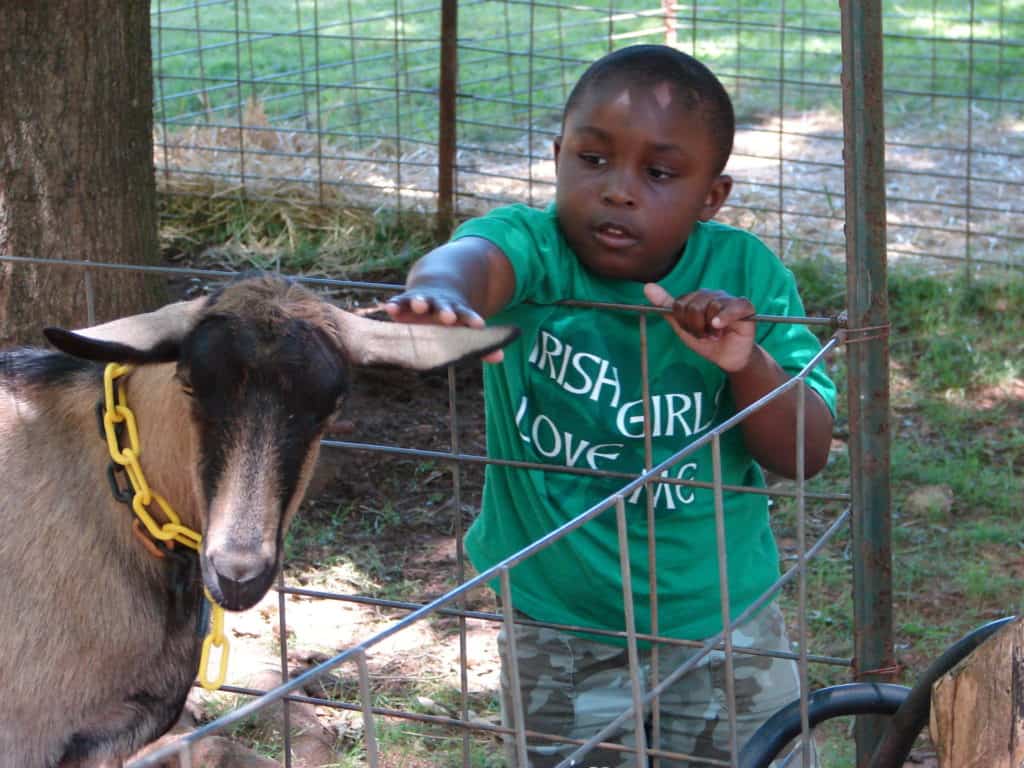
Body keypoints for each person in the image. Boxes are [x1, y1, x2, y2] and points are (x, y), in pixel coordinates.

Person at [383, 44, 835, 767]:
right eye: (593, 160)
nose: (619, 190)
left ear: (711, 197)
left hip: (723, 626)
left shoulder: (747, 273)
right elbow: (470, 259)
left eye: (658, 174)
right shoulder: (534, 249)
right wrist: (444, 297)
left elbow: (803, 454)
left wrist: (744, 361)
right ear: (558, 155)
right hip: (557, 629)